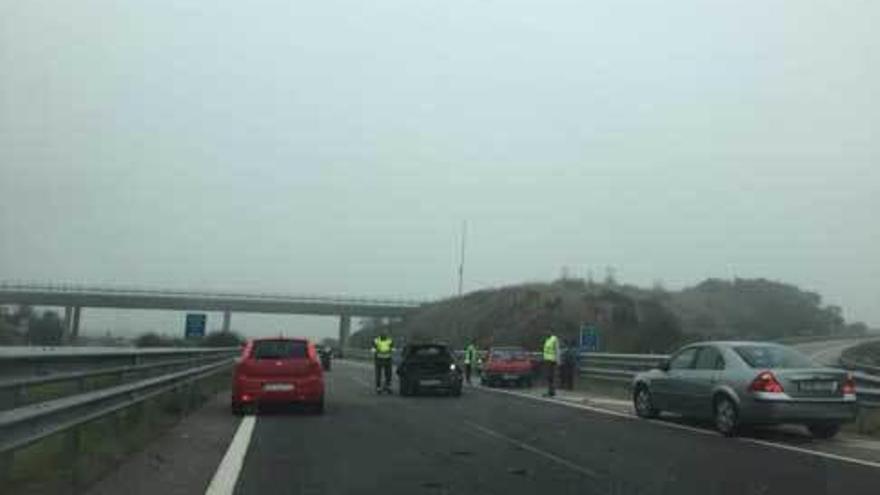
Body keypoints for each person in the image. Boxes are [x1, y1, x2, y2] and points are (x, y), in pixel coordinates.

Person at [542, 331, 560, 397]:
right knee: (549, 377)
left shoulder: (554, 339)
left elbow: (557, 350)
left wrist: (558, 360)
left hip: (552, 360)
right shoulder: (547, 340)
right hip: (547, 360)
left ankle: (552, 391)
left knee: (551, 376)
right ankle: (550, 391)